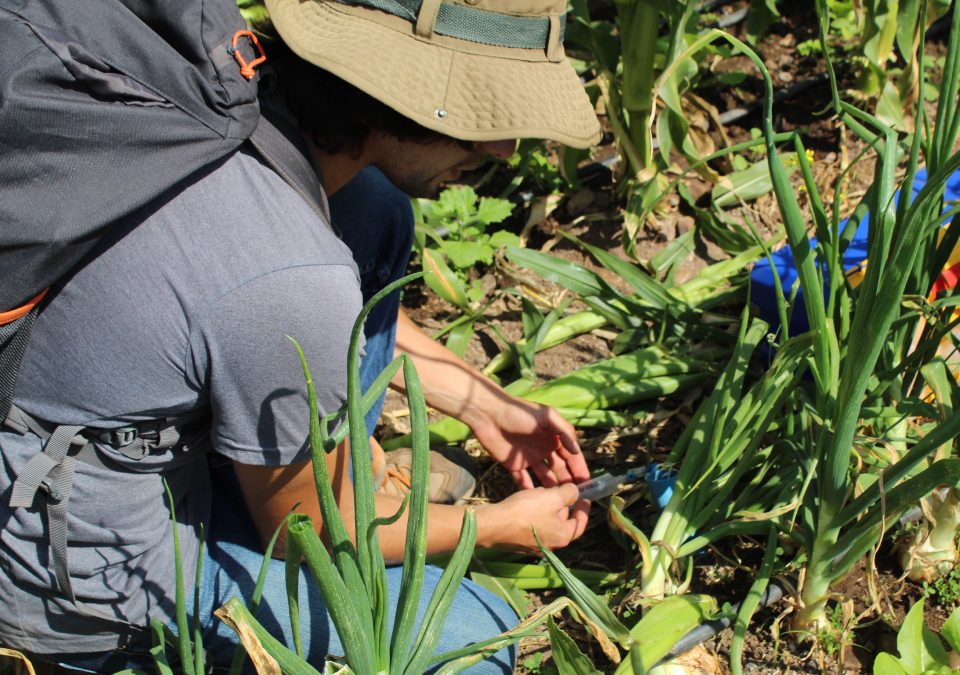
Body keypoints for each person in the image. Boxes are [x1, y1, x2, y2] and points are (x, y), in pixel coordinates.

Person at [0, 0, 601, 671]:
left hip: (79, 388)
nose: (501, 150)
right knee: (472, 633)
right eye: (476, 122)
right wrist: (497, 525)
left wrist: (483, 403)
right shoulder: (290, 273)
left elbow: (259, 302)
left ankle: (302, 462)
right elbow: (303, 529)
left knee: (373, 212)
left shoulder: (230, 84)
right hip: (76, 561)